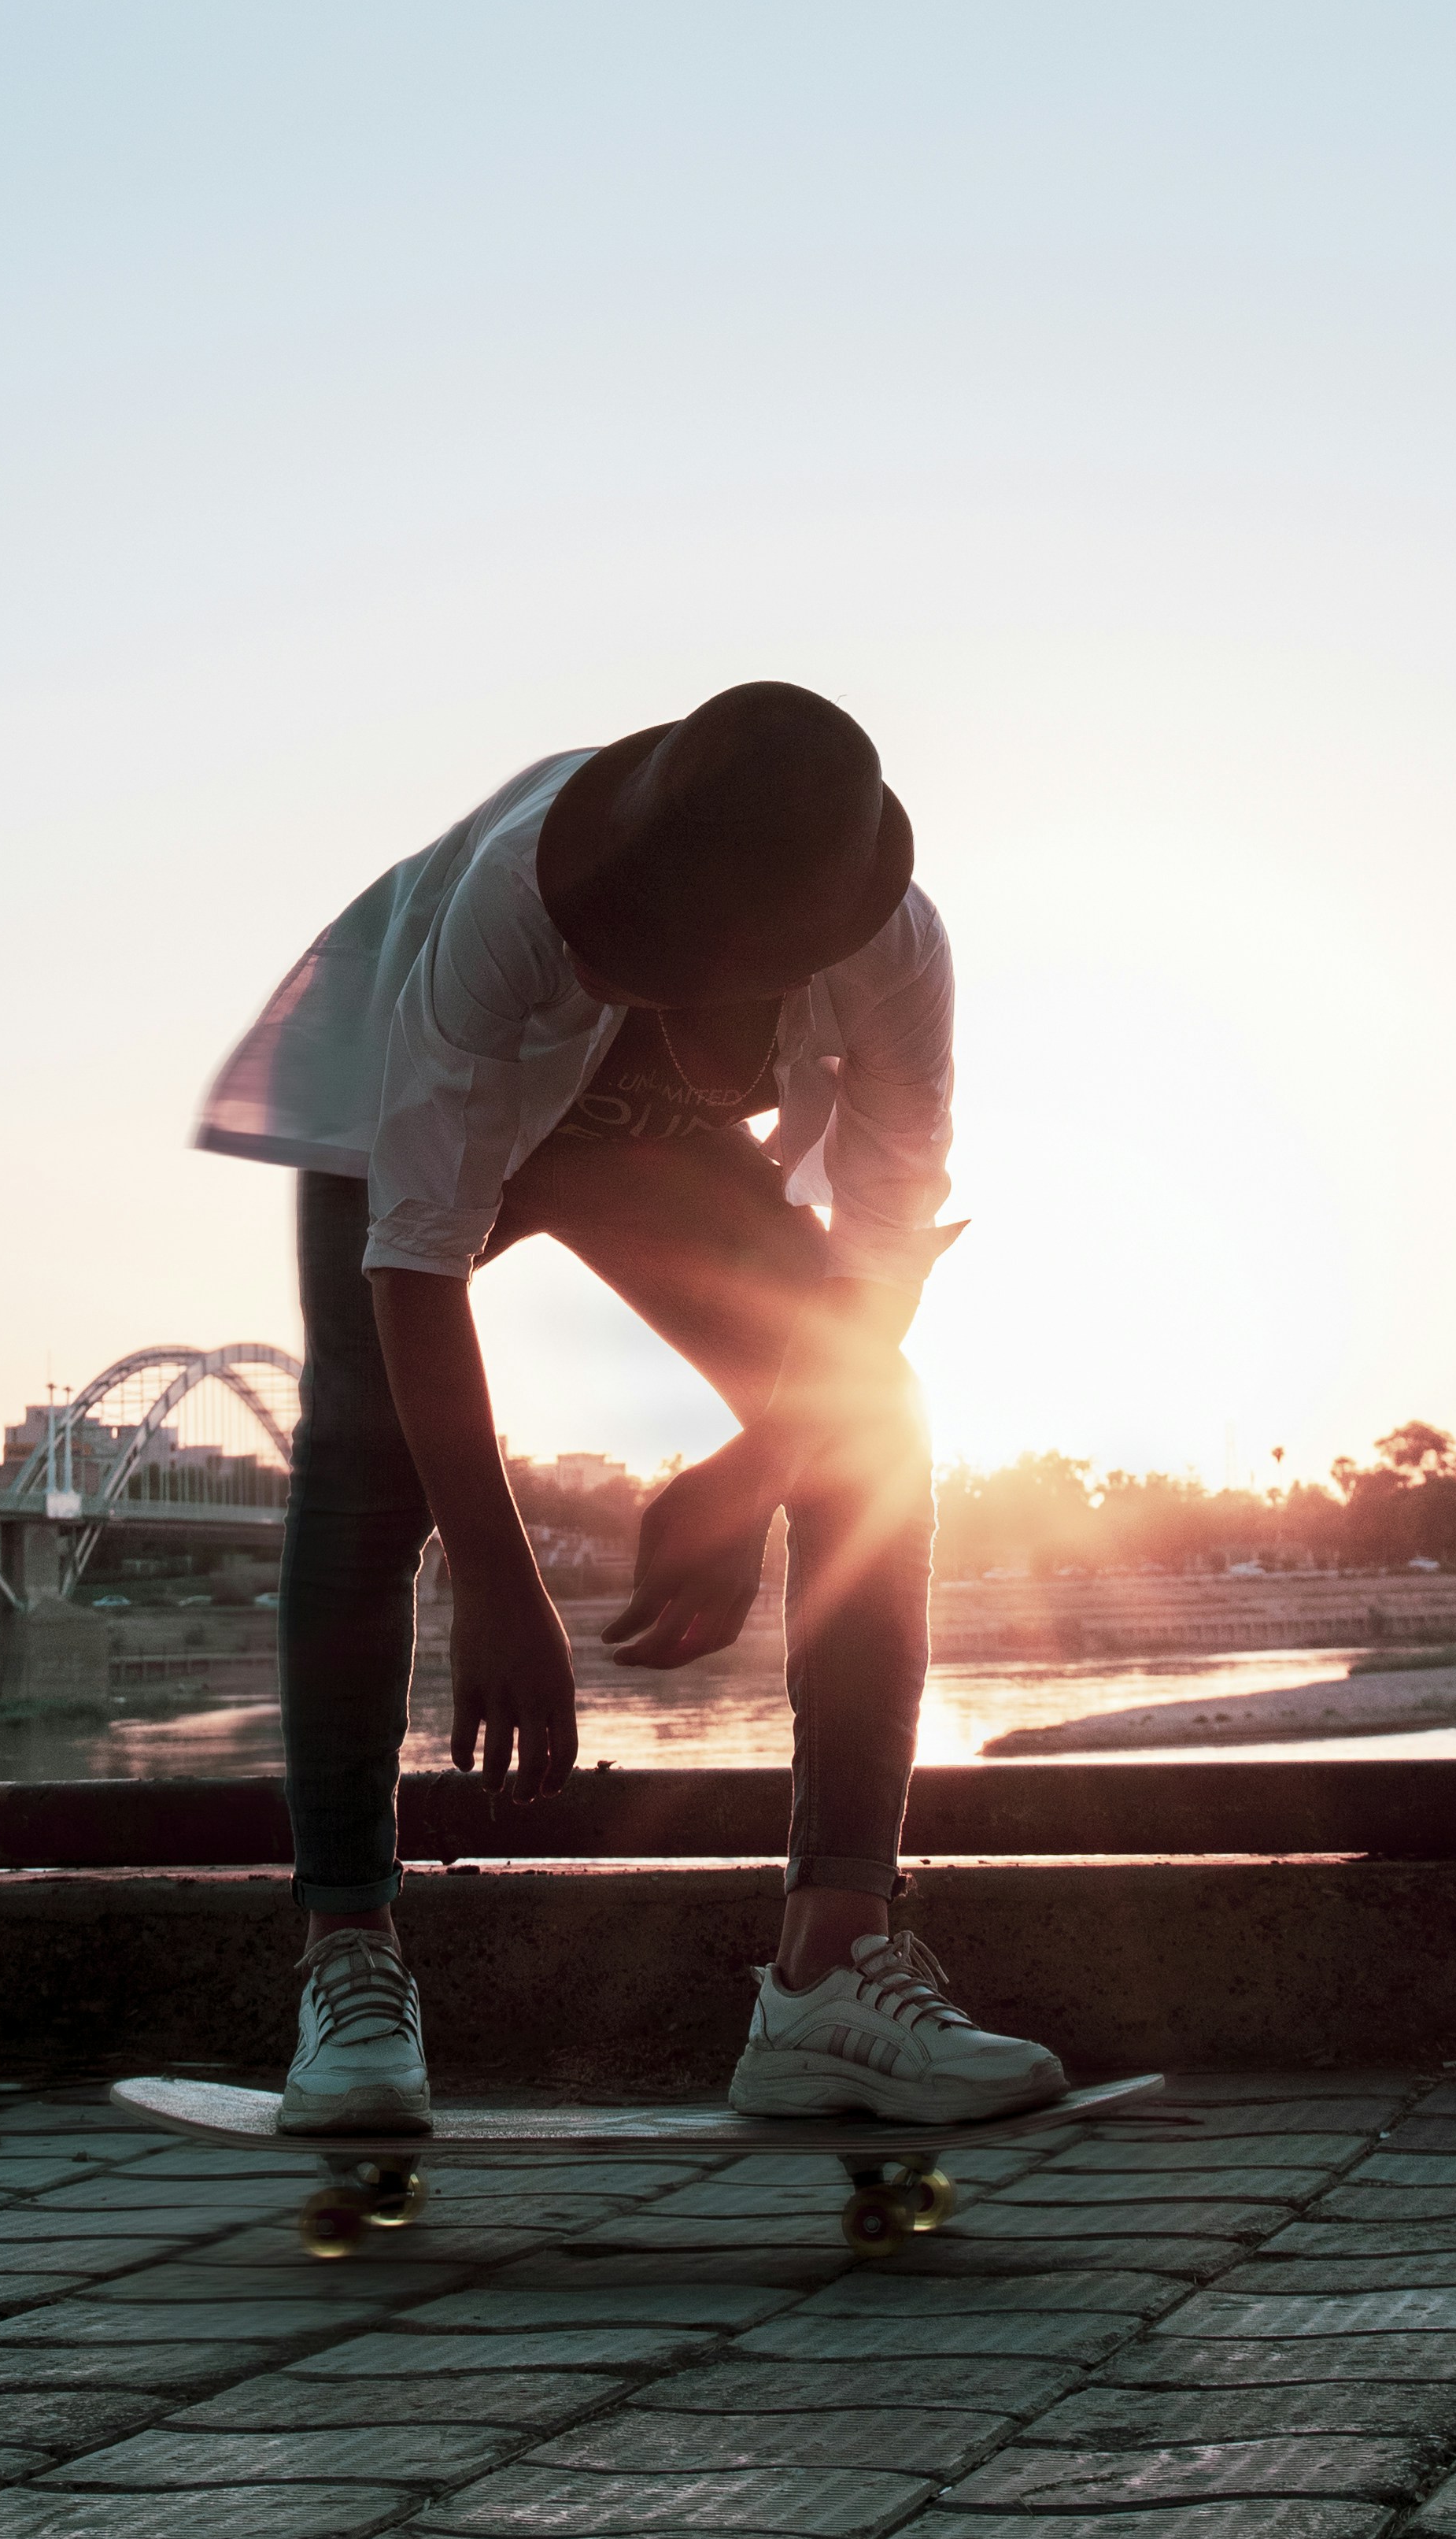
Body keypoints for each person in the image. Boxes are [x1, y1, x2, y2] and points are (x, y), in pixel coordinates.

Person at [194, 682, 1065, 2140]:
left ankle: (828, 1974)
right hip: (410, 1073)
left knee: (871, 1424)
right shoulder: (506, 918)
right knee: (360, 1458)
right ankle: (347, 1971)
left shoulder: (893, 945)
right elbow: (417, 1261)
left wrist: (753, 1471)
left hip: (629, 1147)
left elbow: (880, 1243)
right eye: (659, 965)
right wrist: (496, 1575)